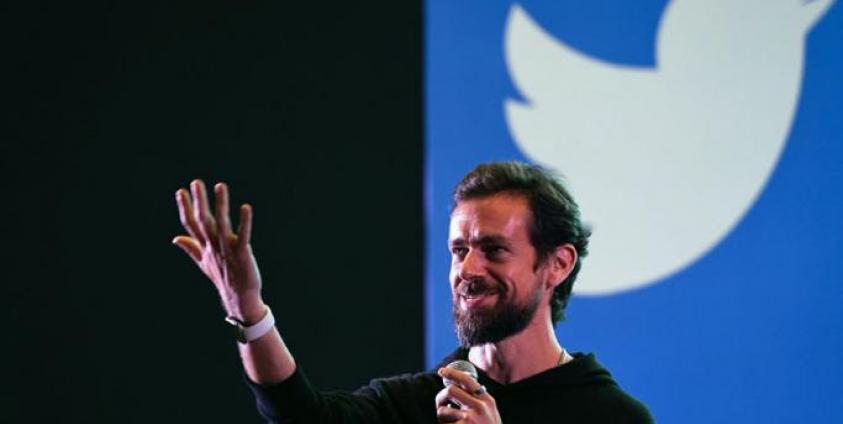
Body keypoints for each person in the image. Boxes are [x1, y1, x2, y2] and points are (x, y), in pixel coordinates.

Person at [173, 161, 653, 423]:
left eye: (493, 250)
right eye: (458, 249)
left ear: (557, 264)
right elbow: (299, 416)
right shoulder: (418, 404)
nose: (468, 268)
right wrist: (247, 310)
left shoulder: (612, 417)